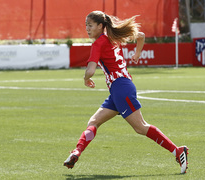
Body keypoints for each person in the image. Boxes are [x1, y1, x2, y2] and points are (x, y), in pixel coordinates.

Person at [63, 10, 189, 174]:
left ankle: (177, 151)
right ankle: (76, 152)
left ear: (100, 26)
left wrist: (86, 78)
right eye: (86, 25)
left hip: (121, 88)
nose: (87, 28)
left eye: (90, 25)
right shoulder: (113, 36)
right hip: (118, 90)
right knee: (94, 122)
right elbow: (141, 35)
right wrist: (137, 53)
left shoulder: (98, 43)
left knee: (141, 127)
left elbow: (91, 70)